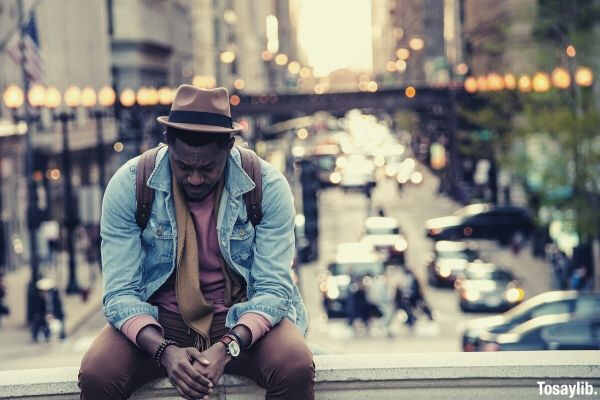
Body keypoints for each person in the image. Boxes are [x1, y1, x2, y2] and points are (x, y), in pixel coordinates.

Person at [78, 85, 313, 400]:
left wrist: (228, 346)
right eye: (184, 167)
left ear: (229, 146)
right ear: (168, 144)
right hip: (159, 320)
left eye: (208, 169)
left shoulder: (266, 186)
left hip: (240, 316)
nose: (195, 178)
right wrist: (164, 351)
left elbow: (273, 290)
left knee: (294, 364)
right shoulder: (129, 185)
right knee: (99, 373)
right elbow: (120, 294)